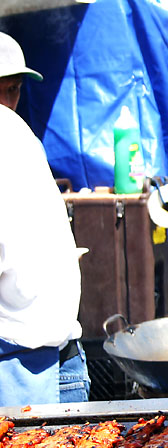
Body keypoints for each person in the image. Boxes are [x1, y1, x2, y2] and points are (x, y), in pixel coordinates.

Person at [0, 31, 90, 406]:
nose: (10, 103)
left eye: (14, 90)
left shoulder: (14, 137)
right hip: (48, 360)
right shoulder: (21, 137)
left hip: (27, 368)